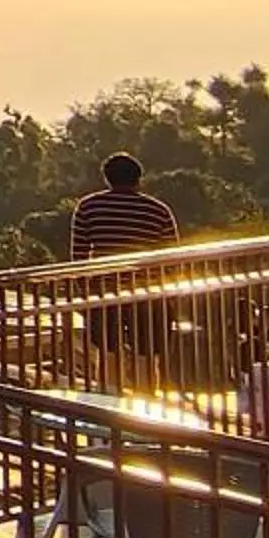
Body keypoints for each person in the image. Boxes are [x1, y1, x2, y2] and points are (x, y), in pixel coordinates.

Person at [72, 152, 181, 389]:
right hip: (149, 291)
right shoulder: (158, 210)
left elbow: (78, 256)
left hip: (105, 291)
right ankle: (147, 402)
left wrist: (86, 290)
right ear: (138, 178)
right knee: (148, 352)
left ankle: (109, 402)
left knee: (107, 351)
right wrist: (169, 293)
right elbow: (172, 258)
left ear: (107, 178)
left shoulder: (88, 207)